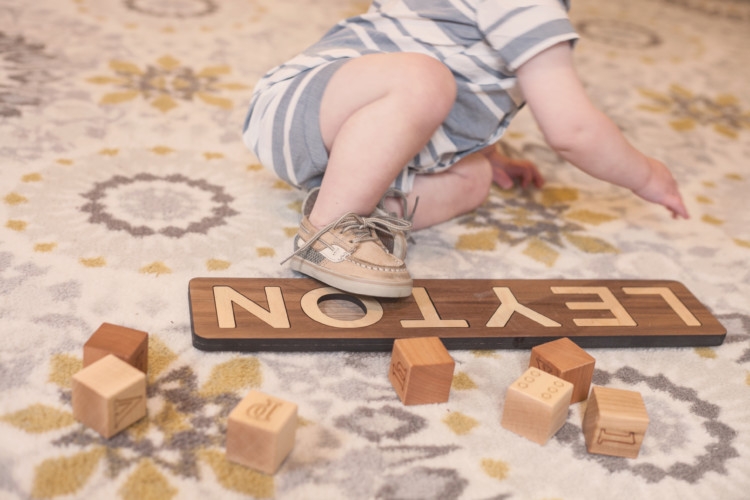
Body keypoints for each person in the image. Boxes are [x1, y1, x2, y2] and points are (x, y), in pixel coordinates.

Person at [242, 0, 689, 298]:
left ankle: (358, 199)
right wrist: (647, 175)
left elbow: (470, 74)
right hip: (302, 106)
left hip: (340, 136)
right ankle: (327, 231)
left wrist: (487, 154)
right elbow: (573, 130)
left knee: (472, 179)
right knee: (424, 80)